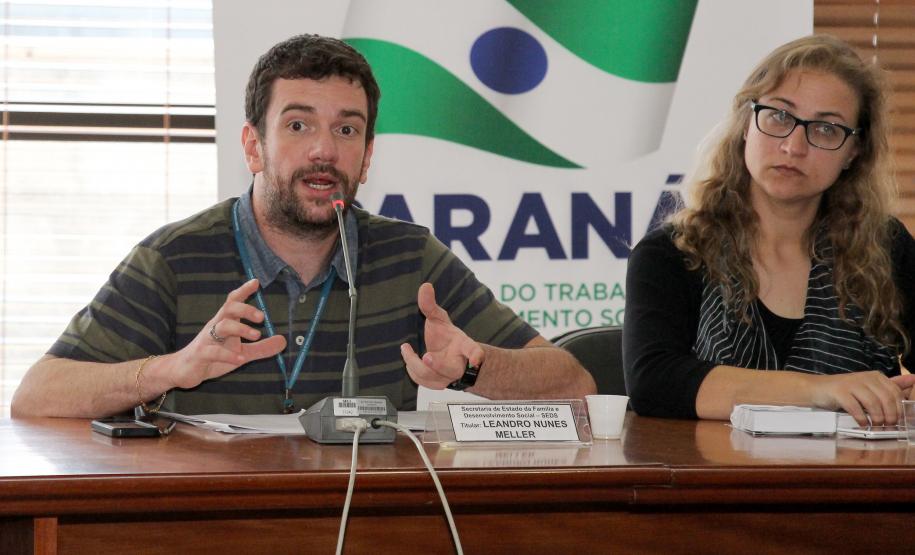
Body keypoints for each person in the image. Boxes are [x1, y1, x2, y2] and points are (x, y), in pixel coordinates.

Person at [11, 34, 595, 418]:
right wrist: (173, 368)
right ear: (253, 146)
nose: (323, 151)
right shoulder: (176, 258)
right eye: (297, 126)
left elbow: (574, 384)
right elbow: (35, 397)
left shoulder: (410, 260)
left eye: (346, 131)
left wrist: (474, 367)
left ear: (367, 155)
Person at [623, 35, 915, 426]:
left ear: (853, 152)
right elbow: (653, 383)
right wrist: (819, 391)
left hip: (856, 482)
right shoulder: (673, 252)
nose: (794, 146)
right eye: (779, 116)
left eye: (826, 130)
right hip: (717, 482)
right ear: (747, 123)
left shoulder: (886, 247)